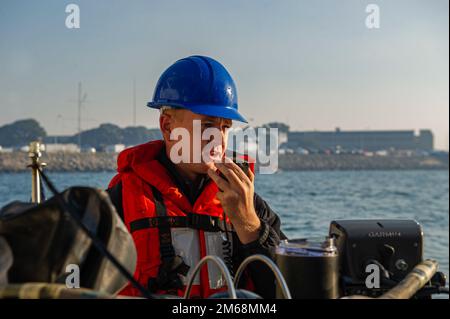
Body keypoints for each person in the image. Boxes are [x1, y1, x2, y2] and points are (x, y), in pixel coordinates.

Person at [107, 55, 285, 298]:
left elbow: (284, 290)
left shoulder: (248, 201)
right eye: (207, 125)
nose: (220, 140)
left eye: (225, 127)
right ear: (168, 126)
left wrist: (248, 224)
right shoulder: (119, 202)